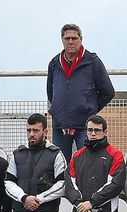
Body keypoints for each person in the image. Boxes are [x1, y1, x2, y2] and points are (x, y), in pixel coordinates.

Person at [45, 24, 113, 161]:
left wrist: (89, 107)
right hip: (60, 126)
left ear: (81, 40)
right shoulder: (54, 63)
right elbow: (51, 91)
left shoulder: (92, 62)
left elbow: (108, 91)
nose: (71, 42)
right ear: (62, 40)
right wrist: (57, 108)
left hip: (84, 125)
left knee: (86, 163)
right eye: (67, 38)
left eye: (74, 38)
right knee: (60, 164)